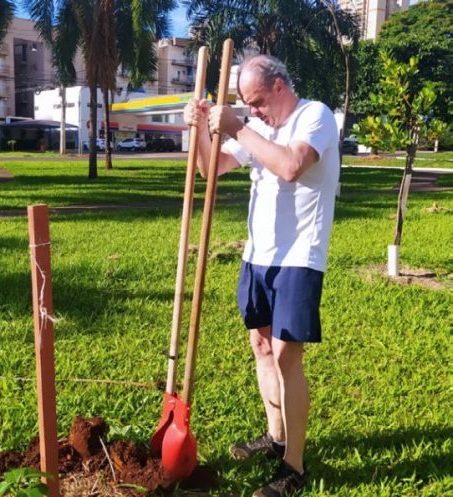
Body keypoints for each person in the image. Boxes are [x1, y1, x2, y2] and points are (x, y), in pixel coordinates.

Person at [184, 54, 339, 497]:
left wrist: (236, 125)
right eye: (246, 106)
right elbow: (211, 169)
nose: (253, 110)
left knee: (288, 355)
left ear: (278, 85)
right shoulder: (257, 127)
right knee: (261, 346)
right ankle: (276, 438)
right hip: (259, 254)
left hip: (299, 256)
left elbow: (292, 166)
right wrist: (198, 131)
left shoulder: (315, 116)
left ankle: (294, 467)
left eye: (255, 101)